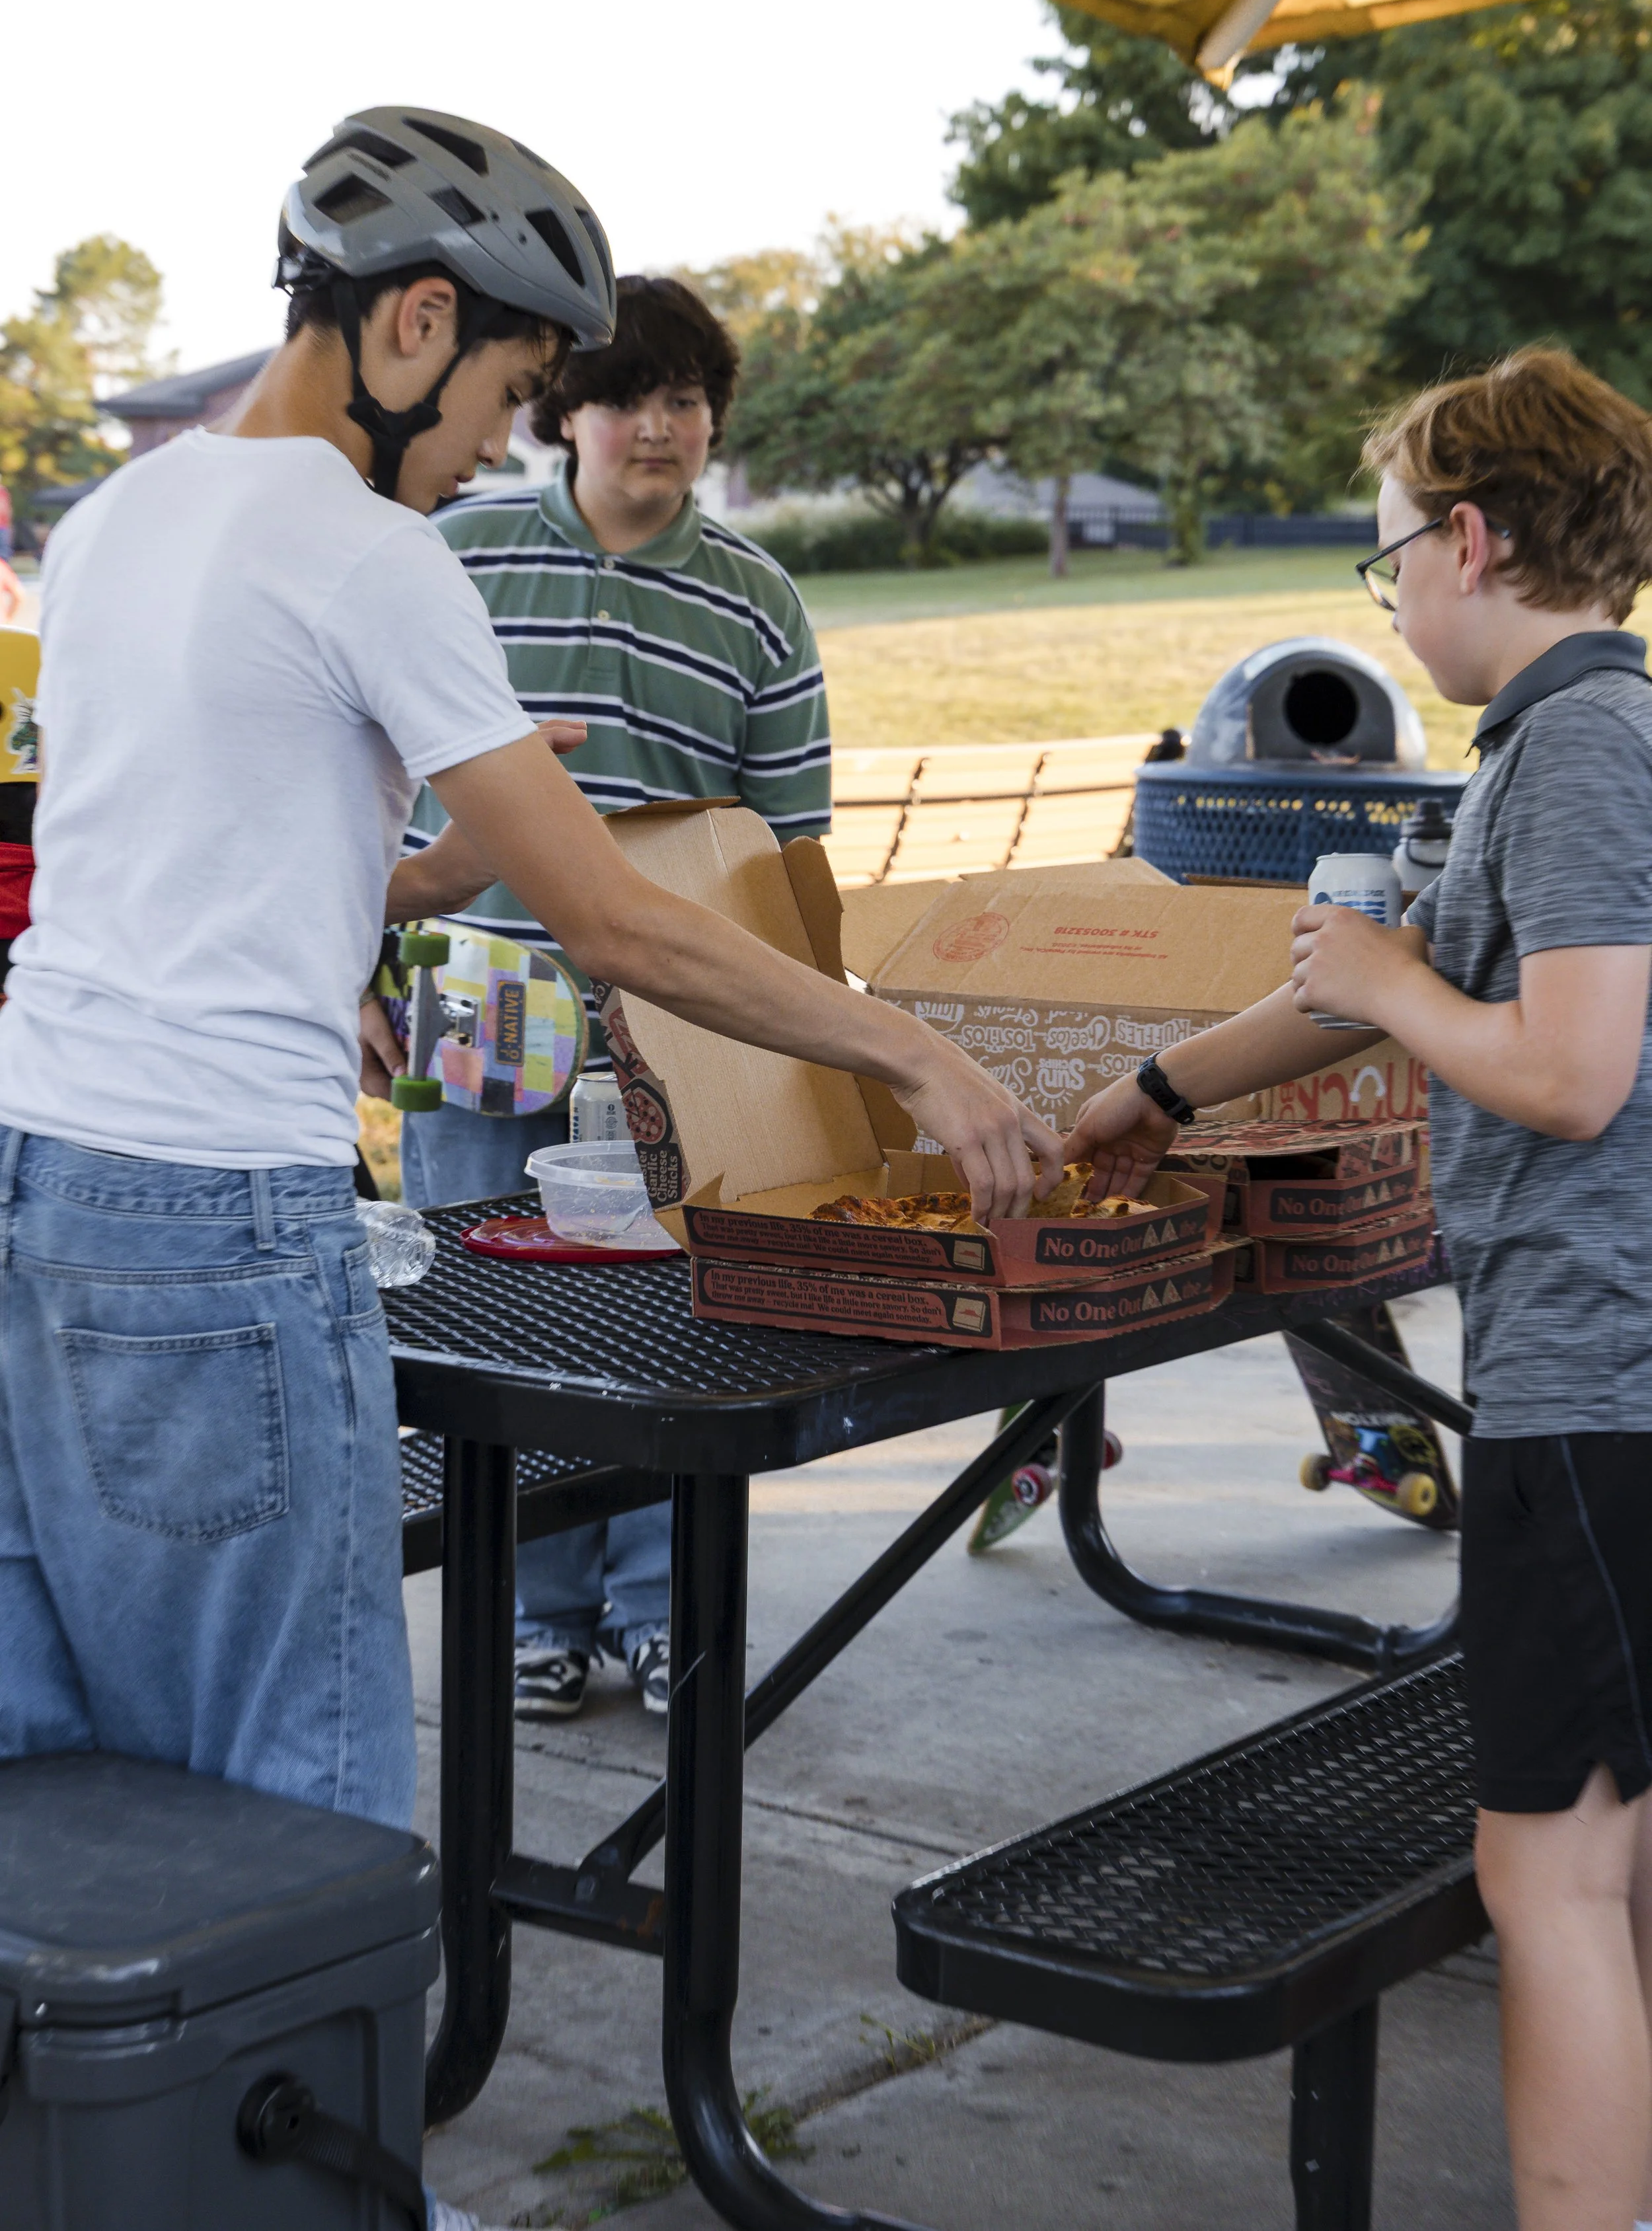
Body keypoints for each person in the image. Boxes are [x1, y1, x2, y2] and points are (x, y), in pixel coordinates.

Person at [0, 108, 1059, 2231]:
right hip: (223, 1216)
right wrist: (913, 1049)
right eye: (498, 393)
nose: (502, 445)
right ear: (405, 321)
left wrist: (445, 858)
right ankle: (326, 2187)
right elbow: (641, 932)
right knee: (295, 1805)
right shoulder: (362, 545)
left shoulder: (123, 519)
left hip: (44, 1184)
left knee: (65, 1776)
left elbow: (225, 857)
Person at [1067, 346, 1652, 2231]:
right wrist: (1153, 1092)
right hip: (1606, 1368)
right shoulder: (1563, 740)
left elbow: (1564, 1067)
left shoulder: (1575, 750)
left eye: (1388, 553)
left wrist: (1400, 986)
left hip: (1597, 1375)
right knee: (1612, 1849)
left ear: (1467, 538)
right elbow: (1357, 978)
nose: (1389, 596)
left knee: (1539, 1873)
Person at [370, 274, 827, 1725]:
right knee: (493, 1320)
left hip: (685, 1019)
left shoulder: (757, 600)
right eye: (630, 395)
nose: (662, 425)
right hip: (471, 996)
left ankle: (657, 1616)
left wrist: (812, 1034)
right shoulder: (456, 551)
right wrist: (364, 969)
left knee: (677, 1319)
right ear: (564, 409)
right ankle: (528, 1614)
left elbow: (791, 840)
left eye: (688, 399)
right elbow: (364, 781)